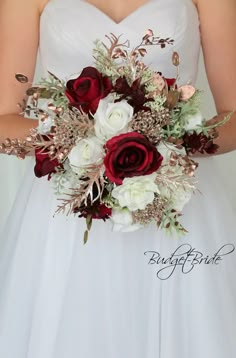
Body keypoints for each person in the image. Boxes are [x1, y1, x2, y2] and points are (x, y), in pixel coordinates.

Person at [0, 0, 235, 357]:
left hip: (179, 201)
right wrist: (88, 143)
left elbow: (233, 116)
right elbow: (3, 119)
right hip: (65, 212)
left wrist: (168, 143)